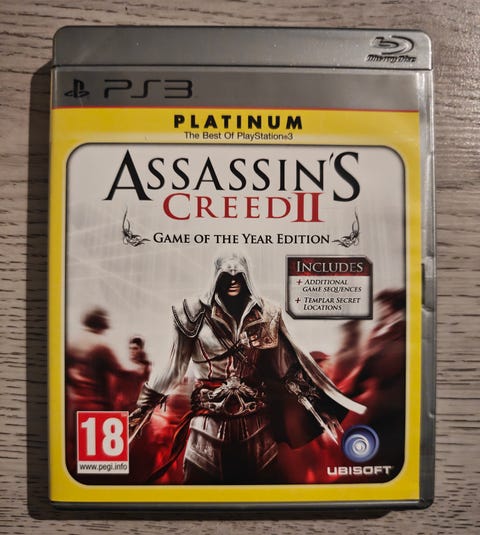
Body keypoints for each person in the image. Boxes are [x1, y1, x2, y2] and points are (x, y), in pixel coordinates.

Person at [130, 252, 366, 484]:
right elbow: (173, 368)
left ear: (247, 277)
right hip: (207, 429)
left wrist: (317, 405)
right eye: (226, 276)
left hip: (257, 430)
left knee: (265, 495)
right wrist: (144, 406)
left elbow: (285, 368)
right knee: (202, 496)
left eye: (239, 276)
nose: (233, 282)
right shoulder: (190, 314)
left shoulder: (268, 313)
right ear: (216, 277)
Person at [65, 307, 127, 473]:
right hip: (94, 409)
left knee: (72, 456)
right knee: (99, 467)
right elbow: (119, 373)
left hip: (72, 406)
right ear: (102, 323)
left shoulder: (71, 343)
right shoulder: (102, 345)